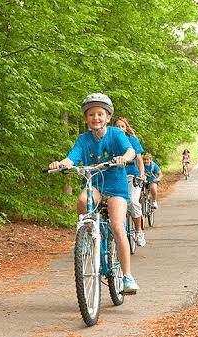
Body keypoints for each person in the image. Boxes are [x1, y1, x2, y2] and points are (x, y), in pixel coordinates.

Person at [48, 93, 139, 293]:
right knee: (82, 199)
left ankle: (127, 276)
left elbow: (130, 151)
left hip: (116, 186)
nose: (95, 118)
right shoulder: (84, 139)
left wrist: (124, 158)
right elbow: (72, 159)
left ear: (107, 117)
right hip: (95, 183)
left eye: (100, 114)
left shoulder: (116, 134)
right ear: (86, 119)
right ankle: (87, 235)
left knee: (117, 225)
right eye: (91, 114)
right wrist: (60, 164)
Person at [114, 117, 146, 247]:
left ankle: (138, 231)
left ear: (126, 128)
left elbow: (139, 159)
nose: (120, 128)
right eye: (117, 126)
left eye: (122, 126)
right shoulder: (111, 141)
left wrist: (142, 174)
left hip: (132, 176)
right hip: (117, 176)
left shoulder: (132, 140)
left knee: (133, 202)